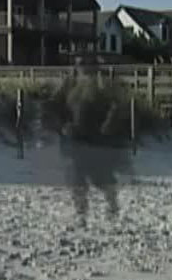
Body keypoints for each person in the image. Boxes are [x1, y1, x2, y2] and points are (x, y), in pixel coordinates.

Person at [57, 63, 133, 226]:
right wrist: (63, 126)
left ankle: (113, 206)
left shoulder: (102, 84)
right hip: (77, 139)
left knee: (101, 177)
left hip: (97, 140)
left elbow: (117, 105)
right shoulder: (70, 84)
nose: (81, 69)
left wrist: (108, 125)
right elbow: (59, 106)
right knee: (76, 178)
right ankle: (81, 214)